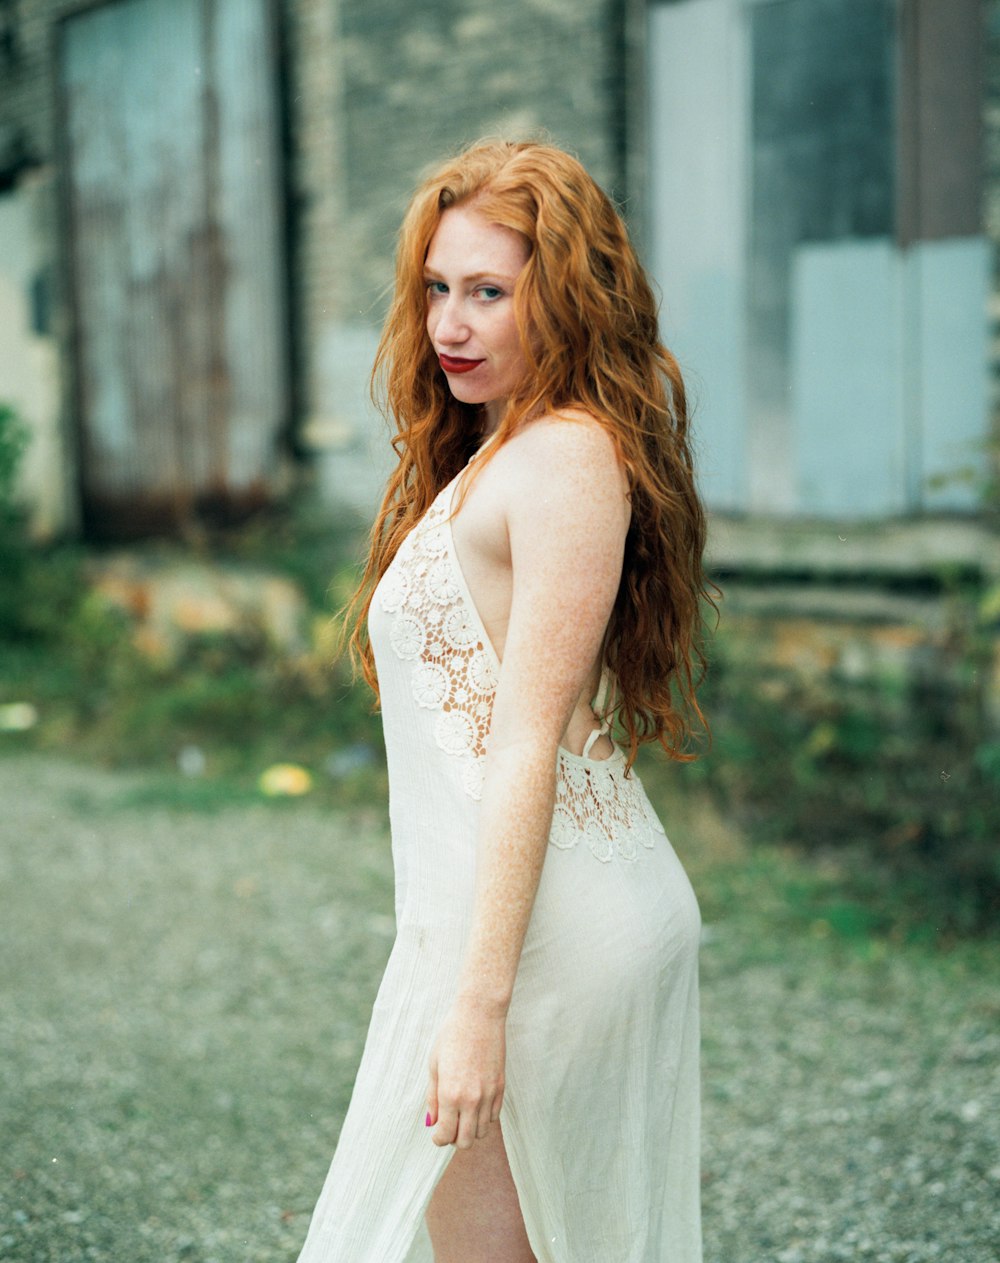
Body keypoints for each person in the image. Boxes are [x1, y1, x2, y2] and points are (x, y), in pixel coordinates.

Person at [296, 139, 712, 1263]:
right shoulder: (503, 450)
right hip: (501, 922)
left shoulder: (569, 457)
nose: (450, 325)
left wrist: (473, 1008)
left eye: (489, 291)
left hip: (548, 938)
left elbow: (525, 740)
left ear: (568, 297)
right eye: (437, 288)